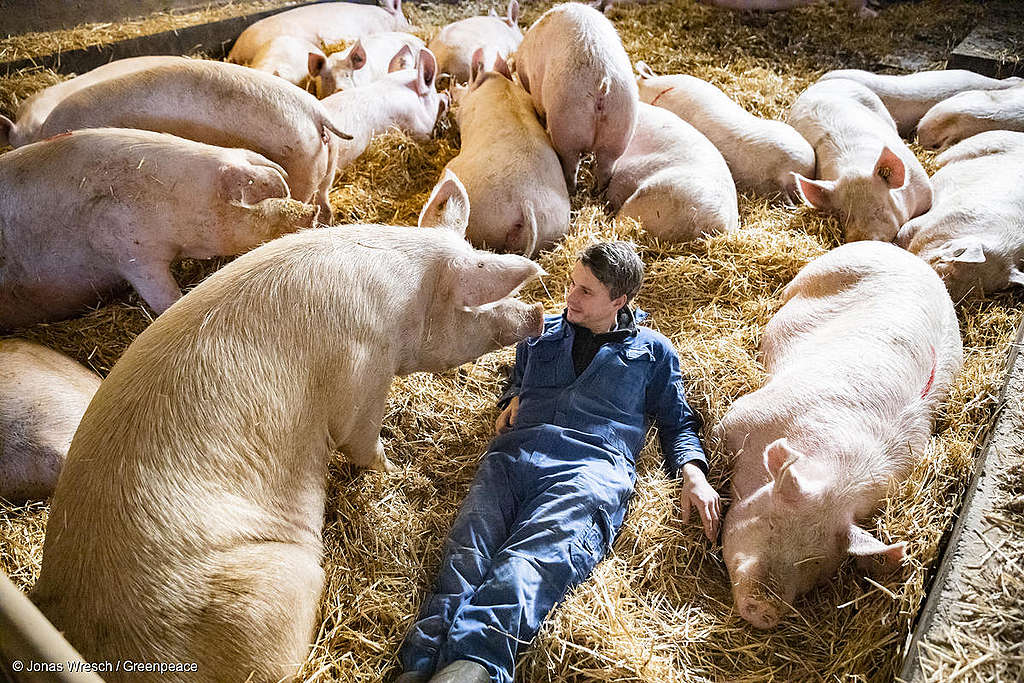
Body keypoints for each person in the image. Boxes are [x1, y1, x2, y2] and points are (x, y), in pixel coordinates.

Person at [396, 241, 720, 683]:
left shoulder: (653, 353)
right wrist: (511, 398)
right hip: (513, 457)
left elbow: (676, 422)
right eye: (571, 283)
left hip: (589, 469)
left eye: (586, 291)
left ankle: (469, 667)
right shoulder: (540, 332)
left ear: (619, 300)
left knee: (527, 565)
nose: (570, 296)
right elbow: (516, 379)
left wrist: (694, 474)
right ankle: (417, 665)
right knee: (464, 557)